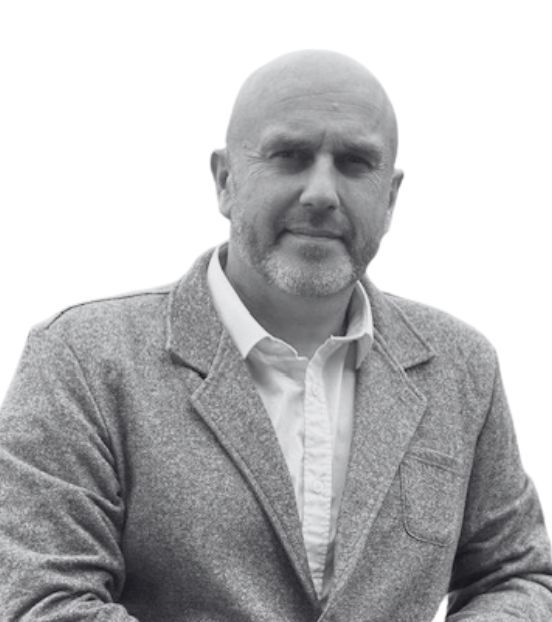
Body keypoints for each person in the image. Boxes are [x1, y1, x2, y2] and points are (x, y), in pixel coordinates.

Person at [0, 49, 551, 622]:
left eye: (355, 163)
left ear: (390, 199)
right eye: (290, 156)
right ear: (225, 181)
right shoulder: (84, 361)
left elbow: (518, 576)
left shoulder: (462, 368)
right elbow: (43, 602)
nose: (322, 192)